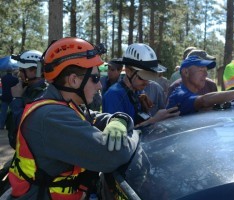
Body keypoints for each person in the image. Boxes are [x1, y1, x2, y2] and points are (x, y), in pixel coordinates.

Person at [7, 37, 139, 199]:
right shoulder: (52, 117)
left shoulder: (62, 104)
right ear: (74, 80)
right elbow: (114, 155)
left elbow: (97, 118)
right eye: (95, 78)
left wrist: (120, 120)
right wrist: (136, 133)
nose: (99, 86)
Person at [102, 43, 179, 127]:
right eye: (142, 77)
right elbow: (119, 136)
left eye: (149, 78)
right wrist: (154, 120)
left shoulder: (137, 91)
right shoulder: (114, 96)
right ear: (128, 71)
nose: (146, 83)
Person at [7, 50, 48, 149]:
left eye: (22, 70)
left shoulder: (43, 94)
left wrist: (17, 99)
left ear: (35, 71)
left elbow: (25, 126)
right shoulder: (27, 89)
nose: (19, 74)